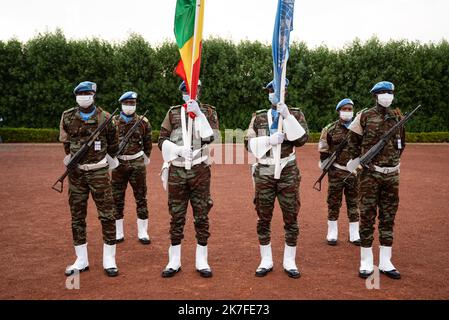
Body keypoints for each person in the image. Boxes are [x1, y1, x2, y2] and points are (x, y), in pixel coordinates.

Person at [244, 79, 309, 279]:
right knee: (263, 216)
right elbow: (248, 143)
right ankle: (266, 259)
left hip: (287, 170)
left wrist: (287, 117)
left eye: (276, 89)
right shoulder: (259, 117)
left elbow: (302, 139)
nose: (272, 93)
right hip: (264, 170)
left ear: (285, 91)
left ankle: (290, 260)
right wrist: (268, 140)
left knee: (291, 215)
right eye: (270, 90)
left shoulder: (296, 113)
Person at [158, 80, 219, 278]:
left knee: (201, 215)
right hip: (177, 169)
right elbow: (161, 140)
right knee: (176, 216)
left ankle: (202, 259)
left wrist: (199, 114)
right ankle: (174, 260)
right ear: (181, 92)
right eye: (185, 90)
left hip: (200, 169)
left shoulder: (209, 112)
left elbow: (213, 137)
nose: (188, 93)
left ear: (199, 90)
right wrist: (176, 150)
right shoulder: (173, 112)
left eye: (192, 89)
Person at [59, 81, 119, 277]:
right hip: (76, 174)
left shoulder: (106, 118)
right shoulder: (67, 117)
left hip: (99, 172)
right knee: (77, 216)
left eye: (87, 93)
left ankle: (109, 259)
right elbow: (67, 145)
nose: (84, 96)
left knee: (107, 215)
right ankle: (81, 259)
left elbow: (113, 147)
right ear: (76, 96)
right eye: (81, 93)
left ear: (93, 95)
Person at [346, 81, 405, 280]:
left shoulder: (398, 116)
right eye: (382, 92)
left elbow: (401, 145)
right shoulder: (364, 116)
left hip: (392, 176)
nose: (387, 95)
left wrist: (393, 163)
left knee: (388, 217)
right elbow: (352, 142)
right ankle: (366, 260)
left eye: (389, 92)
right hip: (370, 175)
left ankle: (386, 261)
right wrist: (362, 163)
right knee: (368, 215)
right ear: (375, 96)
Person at [318, 98, 361, 246]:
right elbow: (323, 148)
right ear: (338, 111)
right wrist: (326, 164)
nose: (347, 112)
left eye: (350, 109)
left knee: (354, 201)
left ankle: (354, 233)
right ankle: (332, 231)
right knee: (333, 201)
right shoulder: (329, 129)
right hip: (336, 170)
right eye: (345, 109)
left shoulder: (359, 128)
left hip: (354, 172)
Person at [111, 91, 152, 245]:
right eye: (127, 103)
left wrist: (144, 158)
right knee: (117, 199)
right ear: (121, 104)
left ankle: (143, 232)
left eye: (132, 104)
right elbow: (109, 143)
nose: (129, 106)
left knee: (141, 197)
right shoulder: (113, 121)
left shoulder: (143, 122)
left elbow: (148, 143)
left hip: (137, 163)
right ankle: (118, 232)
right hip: (118, 164)